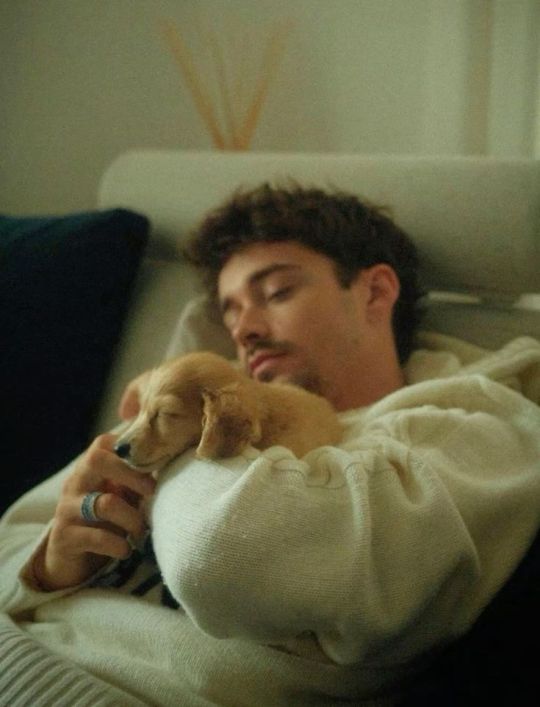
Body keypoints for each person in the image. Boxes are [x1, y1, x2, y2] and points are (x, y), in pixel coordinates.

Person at [1, 183, 539, 706]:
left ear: (375, 292)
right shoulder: (186, 404)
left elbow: (224, 550)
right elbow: (8, 542)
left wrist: (207, 421)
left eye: (277, 292)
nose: (244, 331)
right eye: (230, 311)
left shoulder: (470, 425)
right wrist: (49, 568)